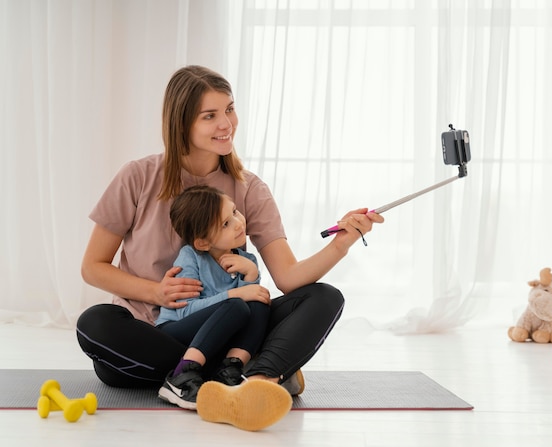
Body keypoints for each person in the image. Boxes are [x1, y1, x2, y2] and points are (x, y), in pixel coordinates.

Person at [76, 65, 383, 431]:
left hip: (234, 326)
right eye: (210, 116)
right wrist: (156, 292)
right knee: (96, 324)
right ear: (182, 123)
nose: (227, 124)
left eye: (229, 109)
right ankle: (244, 371)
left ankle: (252, 382)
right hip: (156, 332)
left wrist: (341, 244)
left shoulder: (250, 189)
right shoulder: (138, 177)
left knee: (323, 298)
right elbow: (93, 266)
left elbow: (288, 278)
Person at [156, 184, 271, 409]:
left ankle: (231, 369)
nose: (238, 223)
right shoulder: (191, 257)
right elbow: (186, 310)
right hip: (176, 329)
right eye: (226, 224)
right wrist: (236, 293)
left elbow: (250, 314)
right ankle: (180, 375)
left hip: (216, 336)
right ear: (203, 242)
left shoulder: (246, 261)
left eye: (235, 212)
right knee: (237, 305)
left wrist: (251, 274)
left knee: (259, 301)